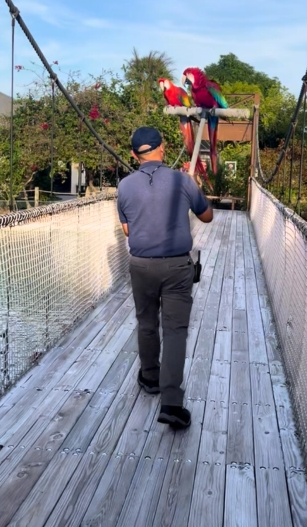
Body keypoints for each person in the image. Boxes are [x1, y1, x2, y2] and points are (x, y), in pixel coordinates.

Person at [117, 126, 213, 429]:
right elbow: (207, 216)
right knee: (174, 331)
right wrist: (195, 189)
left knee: (146, 322)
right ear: (164, 148)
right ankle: (171, 403)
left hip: (141, 265)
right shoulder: (182, 181)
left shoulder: (124, 186)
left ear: (134, 154)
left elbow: (128, 230)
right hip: (176, 268)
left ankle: (149, 377)